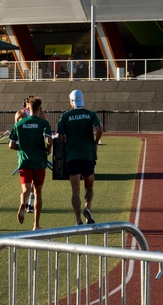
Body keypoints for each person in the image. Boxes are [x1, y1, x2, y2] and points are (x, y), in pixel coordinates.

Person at [57, 89, 102, 225]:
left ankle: (78, 220)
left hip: (73, 156)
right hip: (88, 155)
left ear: (71, 101)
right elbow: (99, 129)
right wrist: (95, 142)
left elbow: (60, 137)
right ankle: (87, 208)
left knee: (75, 191)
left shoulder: (65, 116)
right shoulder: (90, 114)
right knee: (89, 187)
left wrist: (65, 141)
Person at [9, 96, 52, 230]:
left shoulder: (19, 123)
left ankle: (23, 203)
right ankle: (36, 224)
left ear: (28, 108)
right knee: (37, 191)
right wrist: (48, 150)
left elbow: (11, 145)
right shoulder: (43, 123)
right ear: (40, 108)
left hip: (24, 160)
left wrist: (22, 149)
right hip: (39, 161)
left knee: (26, 189)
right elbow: (49, 141)